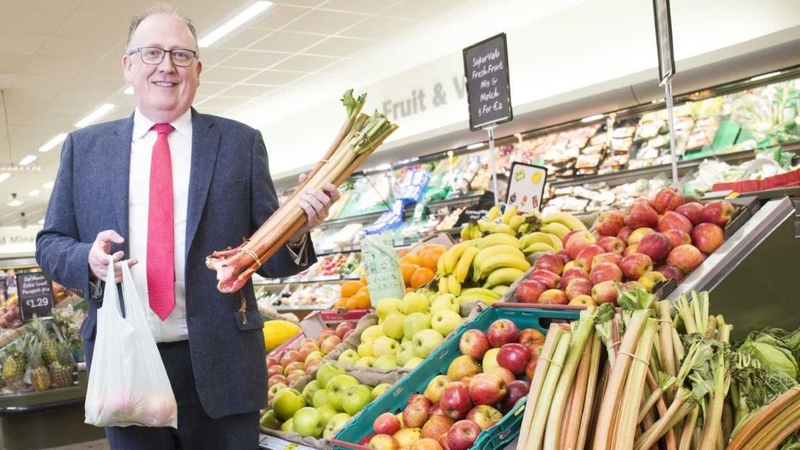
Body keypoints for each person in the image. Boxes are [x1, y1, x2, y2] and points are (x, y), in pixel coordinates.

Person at [35, 4, 339, 449]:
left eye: (181, 55)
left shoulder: (239, 143)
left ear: (198, 69)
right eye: (152, 52)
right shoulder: (85, 149)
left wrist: (295, 230)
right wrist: (89, 260)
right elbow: (50, 244)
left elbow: (267, 262)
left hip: (224, 365)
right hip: (126, 364)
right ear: (128, 67)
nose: (167, 67)